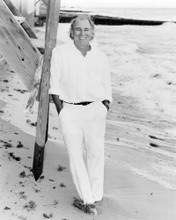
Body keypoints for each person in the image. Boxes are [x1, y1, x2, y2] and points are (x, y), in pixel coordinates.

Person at [49, 14, 112, 215]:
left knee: (96, 153)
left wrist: (105, 105)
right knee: (75, 155)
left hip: (95, 111)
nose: (82, 33)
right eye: (78, 29)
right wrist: (63, 112)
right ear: (71, 32)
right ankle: (87, 199)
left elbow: (107, 86)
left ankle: (96, 195)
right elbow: (55, 86)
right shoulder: (60, 53)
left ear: (92, 33)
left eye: (86, 30)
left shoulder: (101, 57)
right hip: (71, 111)